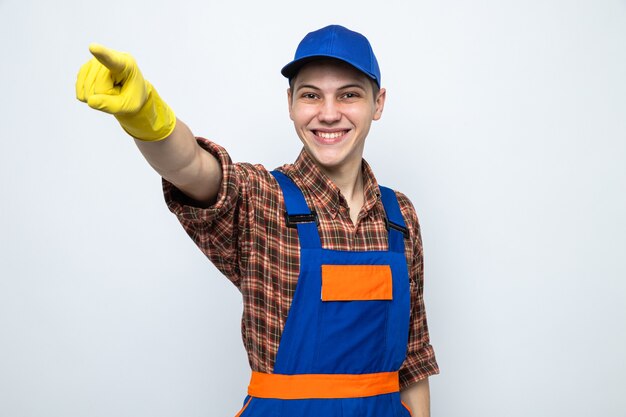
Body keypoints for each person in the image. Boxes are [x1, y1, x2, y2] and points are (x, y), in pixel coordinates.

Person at [76, 24, 439, 417]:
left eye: (349, 95)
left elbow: (413, 360)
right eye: (311, 95)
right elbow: (192, 168)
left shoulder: (399, 216)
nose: (329, 113)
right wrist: (147, 116)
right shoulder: (262, 200)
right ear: (290, 103)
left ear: (378, 103)